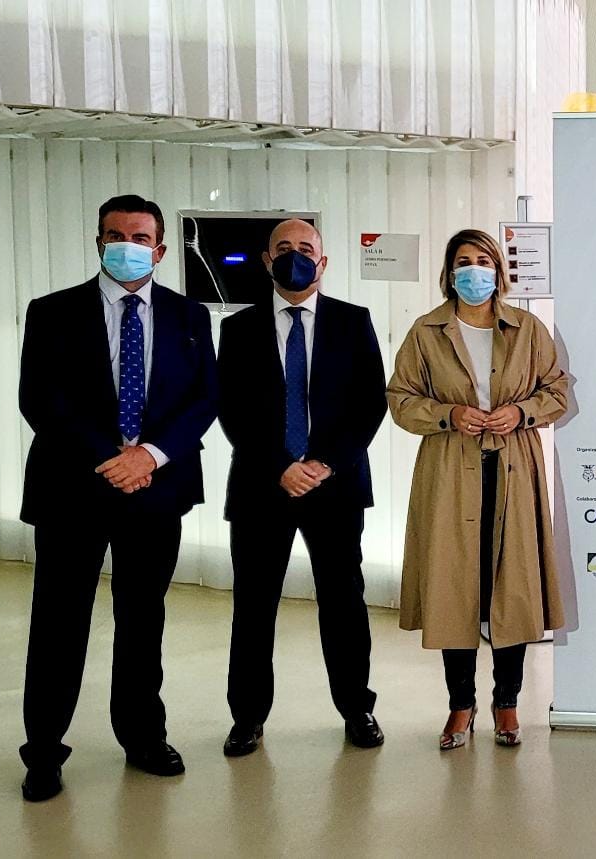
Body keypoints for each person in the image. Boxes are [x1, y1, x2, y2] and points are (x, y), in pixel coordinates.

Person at [15, 195, 218, 801]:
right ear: (98, 242)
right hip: (72, 488)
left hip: (156, 488)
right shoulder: (51, 312)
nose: (126, 245)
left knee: (142, 618)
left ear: (158, 249)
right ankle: (44, 752)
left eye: (139, 236)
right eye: (114, 235)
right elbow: (40, 399)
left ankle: (142, 736)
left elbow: (204, 400)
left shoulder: (188, 317)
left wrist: (148, 456)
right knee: (58, 622)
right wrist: (111, 458)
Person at [387, 228, 569, 749]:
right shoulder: (427, 332)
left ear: (499, 270)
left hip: (514, 468)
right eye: (464, 261)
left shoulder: (528, 329)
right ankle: (460, 706)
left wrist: (521, 411)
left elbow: (555, 390)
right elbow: (400, 399)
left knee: (511, 590)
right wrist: (448, 414)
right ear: (449, 271)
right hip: (450, 472)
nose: (474, 271)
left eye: (483, 261)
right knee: (456, 590)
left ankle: (506, 702)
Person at [217, 219, 388, 757]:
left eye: (306, 249)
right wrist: (279, 466)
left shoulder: (352, 321)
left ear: (324, 261)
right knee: (254, 605)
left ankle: (357, 708)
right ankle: (247, 717)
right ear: (267, 261)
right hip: (262, 486)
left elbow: (369, 403)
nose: (296, 257)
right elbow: (230, 408)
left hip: (334, 487)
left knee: (343, 602)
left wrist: (324, 463)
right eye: (284, 249)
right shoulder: (238, 328)